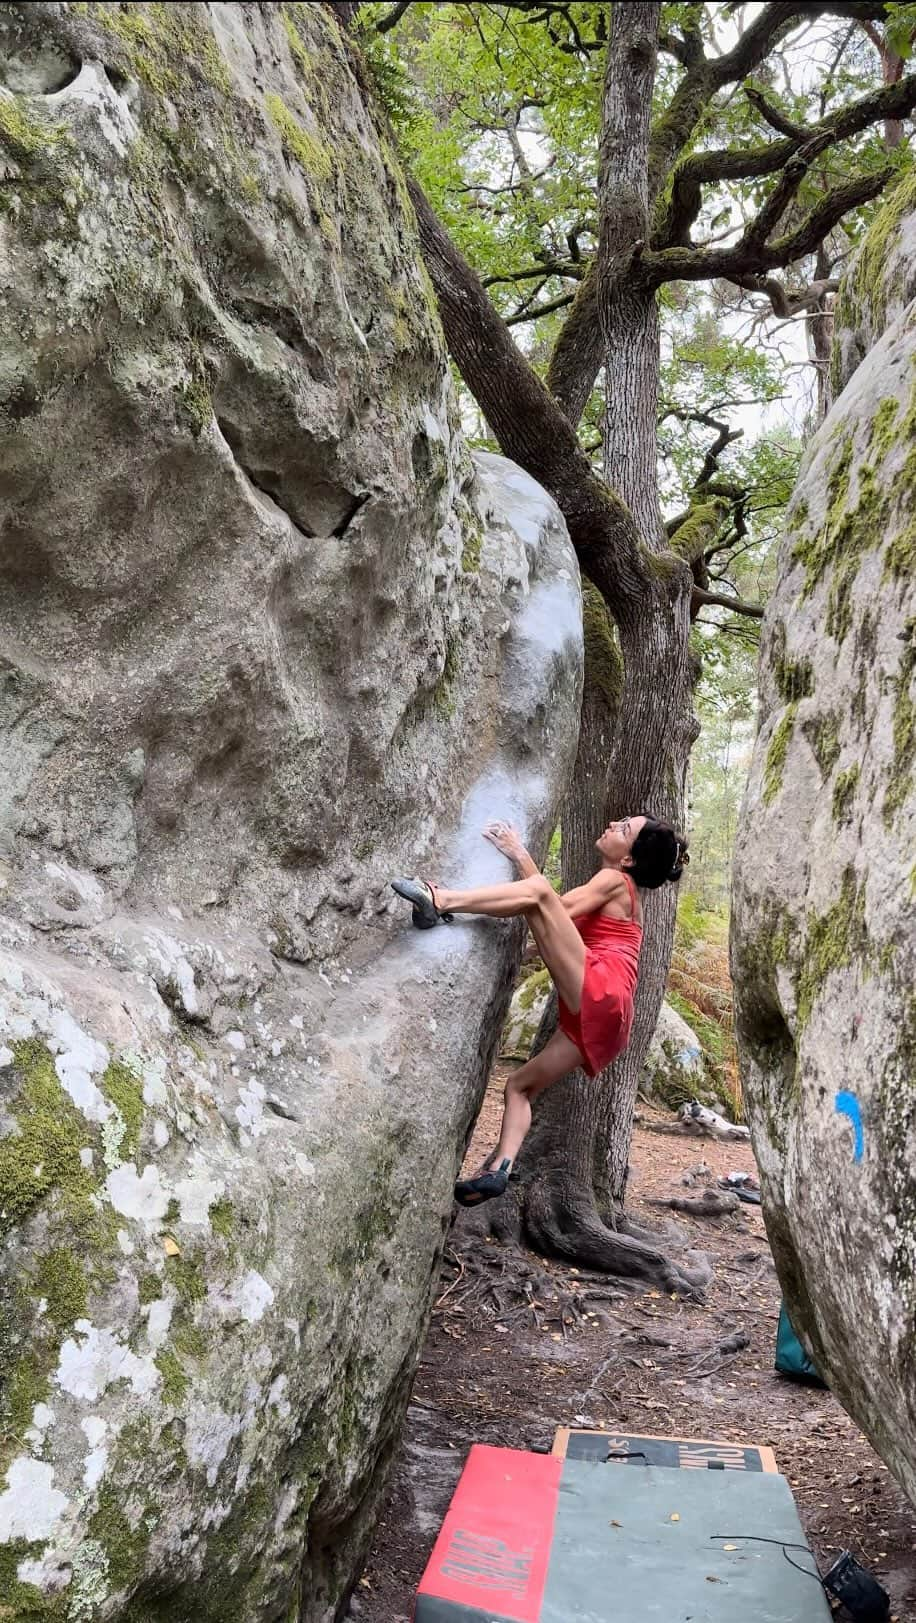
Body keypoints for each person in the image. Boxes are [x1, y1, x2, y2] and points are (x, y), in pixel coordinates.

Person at [391, 814, 688, 1206]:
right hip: (610, 1022)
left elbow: (549, 902)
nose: (613, 823)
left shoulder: (616, 880)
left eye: (623, 829)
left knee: (539, 897)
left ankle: (439, 898)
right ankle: (498, 1169)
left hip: (603, 991)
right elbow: (552, 914)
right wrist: (521, 862)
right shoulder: (620, 892)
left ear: (628, 859)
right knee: (519, 1087)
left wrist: (519, 853)